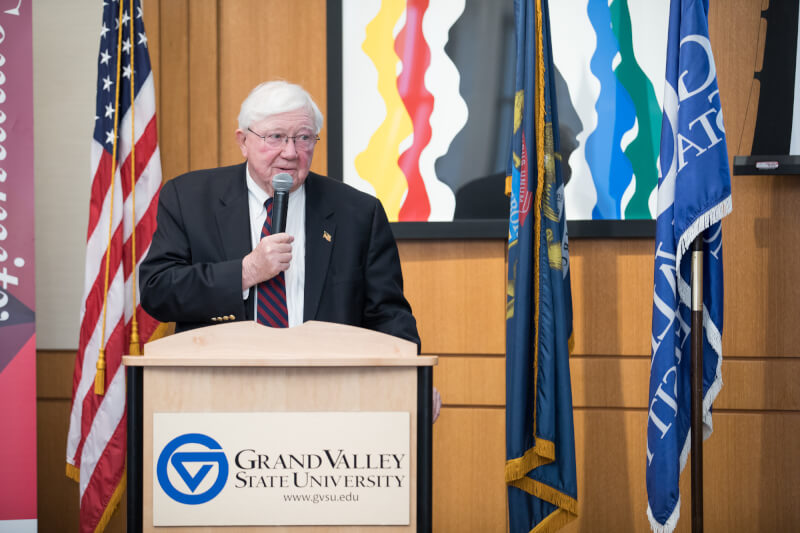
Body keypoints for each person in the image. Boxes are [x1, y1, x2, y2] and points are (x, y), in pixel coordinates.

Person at [139, 80, 419, 348]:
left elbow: (389, 318)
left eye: (304, 138)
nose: (291, 152)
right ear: (243, 141)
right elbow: (158, 291)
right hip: (222, 382)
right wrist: (245, 272)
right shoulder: (189, 199)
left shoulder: (358, 213)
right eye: (276, 137)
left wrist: (413, 381)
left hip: (325, 385)